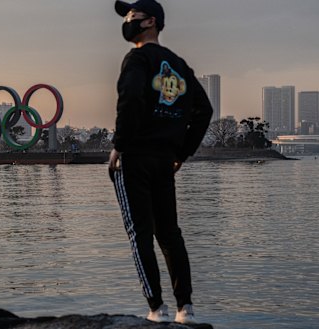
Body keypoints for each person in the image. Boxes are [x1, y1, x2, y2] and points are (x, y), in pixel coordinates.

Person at [109, 0, 213, 324]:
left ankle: (156, 310)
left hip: (135, 156)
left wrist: (119, 146)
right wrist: (181, 153)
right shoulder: (178, 64)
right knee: (169, 234)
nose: (127, 21)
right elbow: (204, 110)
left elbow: (131, 99)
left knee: (139, 234)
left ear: (151, 21)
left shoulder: (137, 58)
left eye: (133, 16)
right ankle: (186, 309)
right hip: (165, 159)